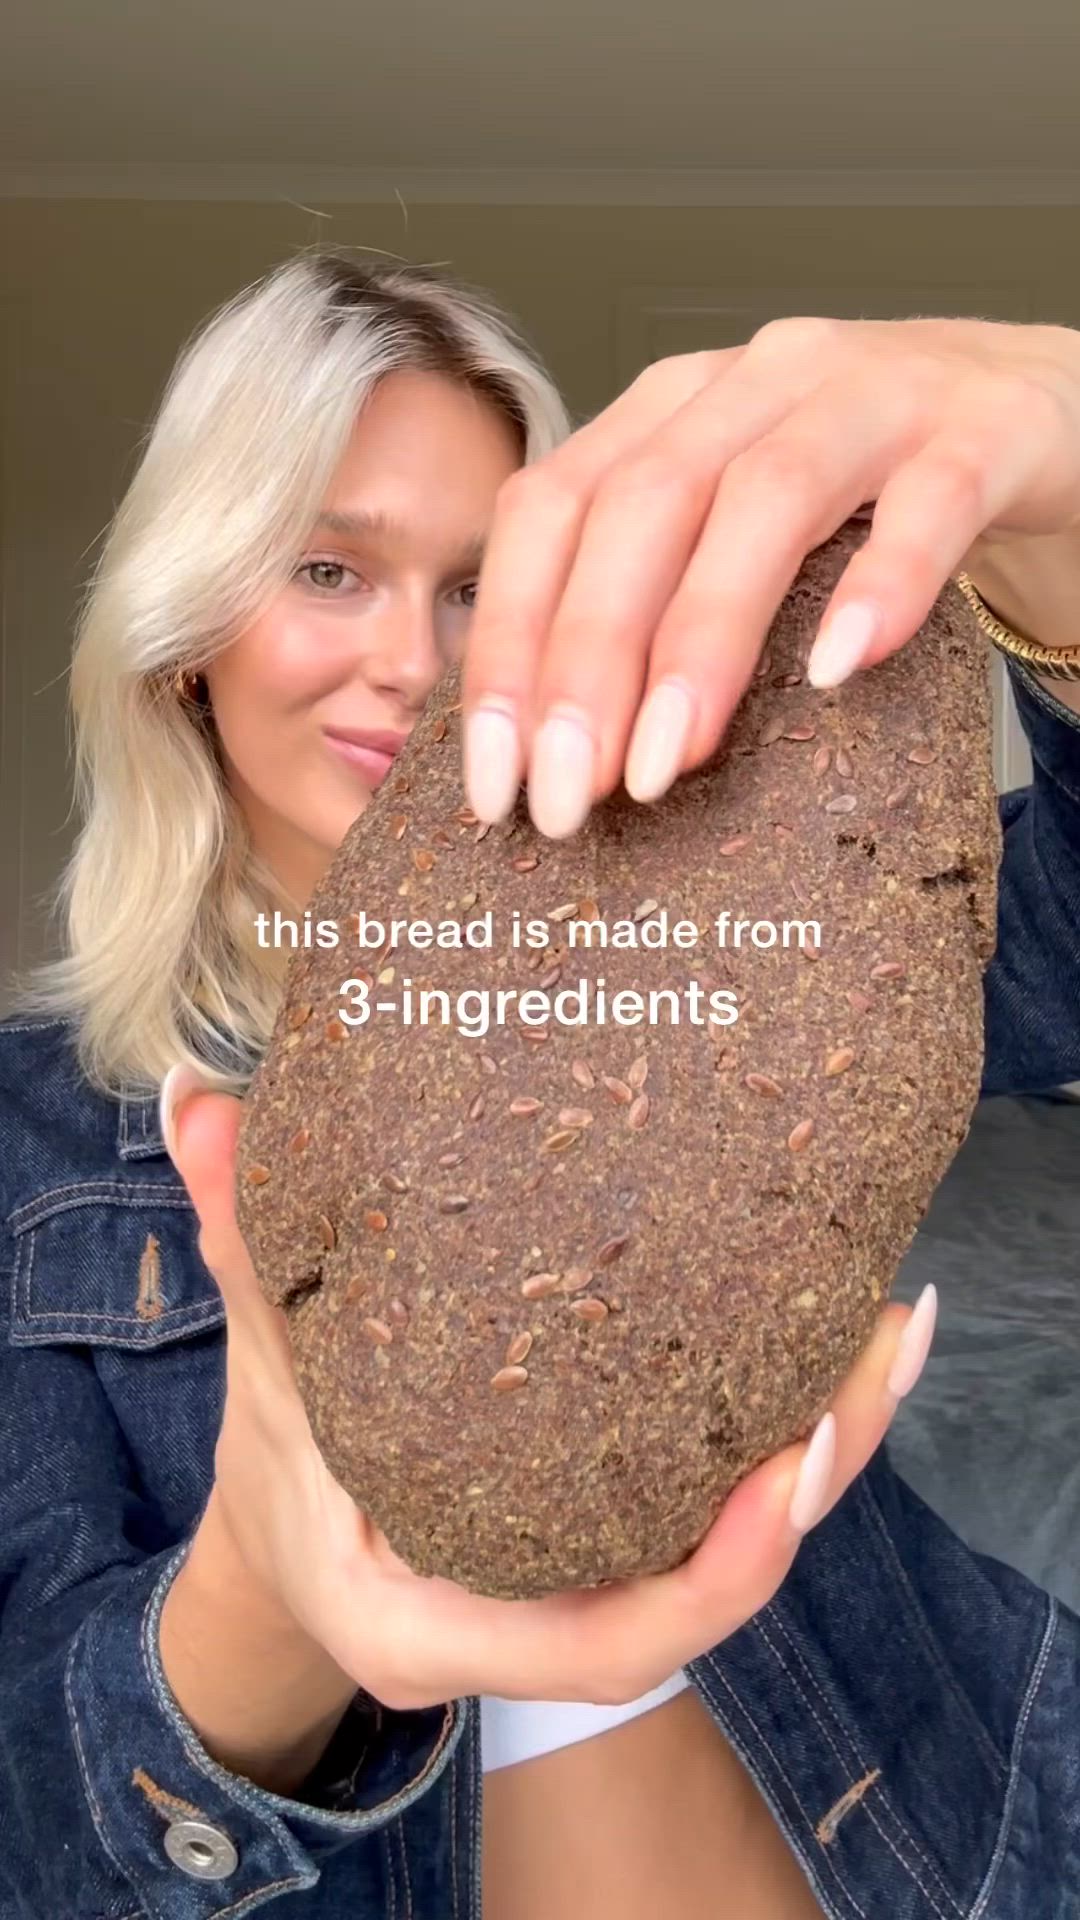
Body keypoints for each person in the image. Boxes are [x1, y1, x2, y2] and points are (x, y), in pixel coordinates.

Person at [0, 249, 1077, 1920]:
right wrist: (265, 1610)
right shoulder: (27, 1140)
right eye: (330, 569)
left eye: (486, 585)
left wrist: (1064, 533)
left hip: (968, 1849)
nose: (419, 661)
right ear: (188, 628)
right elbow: (40, 1828)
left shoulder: (755, 961)